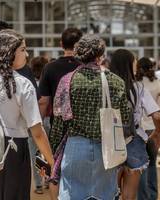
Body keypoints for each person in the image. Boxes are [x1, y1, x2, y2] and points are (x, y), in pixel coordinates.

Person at [0, 29, 54, 200]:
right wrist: (52, 162)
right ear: (9, 53)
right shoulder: (21, 84)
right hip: (12, 151)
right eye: (23, 49)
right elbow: (37, 133)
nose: (27, 54)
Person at [51, 35, 130, 199]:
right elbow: (125, 116)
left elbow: (59, 121)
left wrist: (52, 150)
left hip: (75, 147)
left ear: (78, 54)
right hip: (106, 148)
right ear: (100, 54)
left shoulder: (67, 81)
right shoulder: (115, 81)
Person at [110, 50, 160, 200]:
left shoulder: (107, 87)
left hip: (112, 143)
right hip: (135, 142)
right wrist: (157, 132)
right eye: (134, 61)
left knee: (111, 192)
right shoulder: (139, 88)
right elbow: (157, 116)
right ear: (129, 64)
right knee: (130, 195)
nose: (136, 64)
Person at [38, 27, 82, 199]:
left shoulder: (50, 68)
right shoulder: (85, 67)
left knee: (53, 169)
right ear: (80, 45)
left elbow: (43, 101)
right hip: (81, 127)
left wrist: (39, 125)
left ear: (61, 44)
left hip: (57, 126)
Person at [135, 57, 160, 200]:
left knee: (141, 166)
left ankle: (143, 197)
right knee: (152, 165)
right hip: (153, 129)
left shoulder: (135, 84)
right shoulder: (156, 83)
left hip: (139, 130)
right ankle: (153, 196)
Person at [28, 56, 49, 194]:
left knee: (34, 154)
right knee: (47, 152)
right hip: (47, 120)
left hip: (32, 122)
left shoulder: (30, 84)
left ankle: (39, 186)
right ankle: (47, 179)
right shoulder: (46, 83)